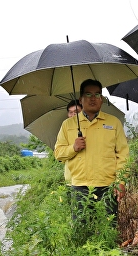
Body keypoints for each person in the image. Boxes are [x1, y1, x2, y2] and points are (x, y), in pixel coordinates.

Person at [55, 79, 129, 220]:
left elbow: (123, 155)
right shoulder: (68, 125)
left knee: (107, 231)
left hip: (108, 186)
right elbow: (58, 153)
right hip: (80, 187)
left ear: (102, 99)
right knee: (82, 231)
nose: (93, 98)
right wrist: (73, 148)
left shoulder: (113, 123)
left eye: (97, 94)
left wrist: (121, 181)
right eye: (88, 95)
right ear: (81, 100)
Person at [63, 100, 82, 184]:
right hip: (72, 178)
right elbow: (59, 153)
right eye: (70, 112)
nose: (73, 115)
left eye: (76, 112)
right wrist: (74, 148)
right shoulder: (65, 129)